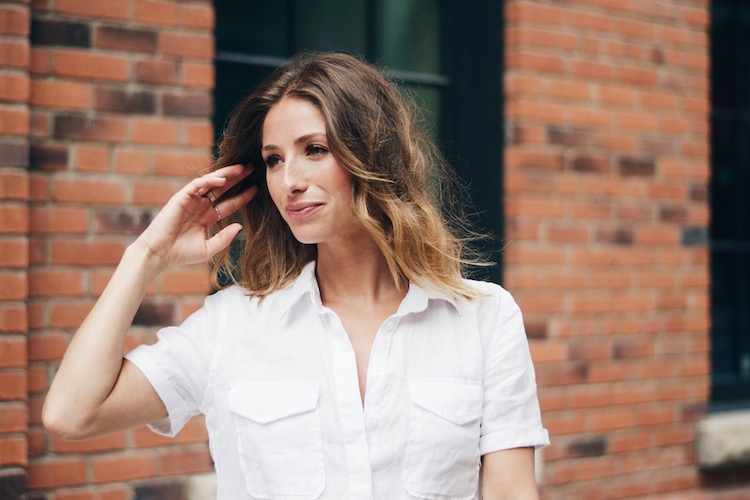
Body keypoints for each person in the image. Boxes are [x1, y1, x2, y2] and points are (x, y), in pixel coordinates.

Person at [44, 52, 549, 499]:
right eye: (273, 160)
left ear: (373, 154)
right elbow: (72, 414)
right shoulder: (233, 325)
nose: (290, 181)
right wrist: (147, 255)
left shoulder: (484, 318)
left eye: (315, 149)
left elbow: (510, 491)